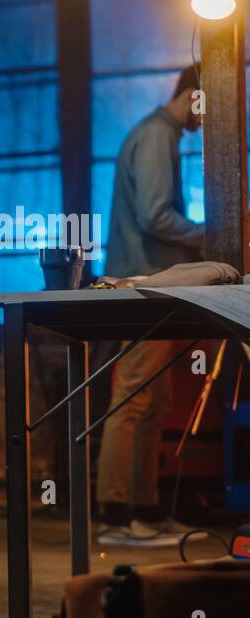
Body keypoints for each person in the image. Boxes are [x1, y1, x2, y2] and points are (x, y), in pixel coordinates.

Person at [96, 64, 208, 548]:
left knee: (152, 402)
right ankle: (118, 517)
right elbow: (156, 215)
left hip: (153, 283)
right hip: (146, 284)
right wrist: (214, 238)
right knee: (135, 399)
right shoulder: (158, 135)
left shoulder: (156, 134)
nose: (208, 122)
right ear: (195, 96)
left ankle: (144, 513)